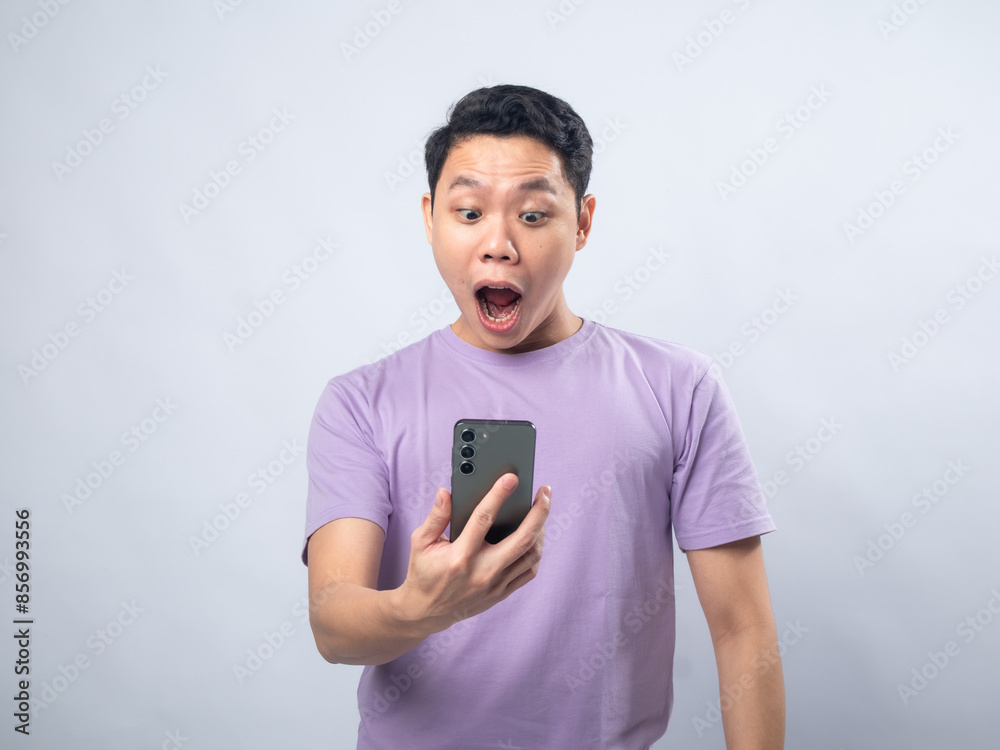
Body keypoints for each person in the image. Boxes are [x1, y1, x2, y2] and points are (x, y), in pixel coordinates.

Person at [302, 84, 785, 749]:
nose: (498, 244)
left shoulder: (681, 388)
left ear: (582, 222)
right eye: (468, 211)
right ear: (429, 216)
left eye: (533, 215)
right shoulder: (360, 402)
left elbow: (743, 630)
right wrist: (419, 607)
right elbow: (333, 624)